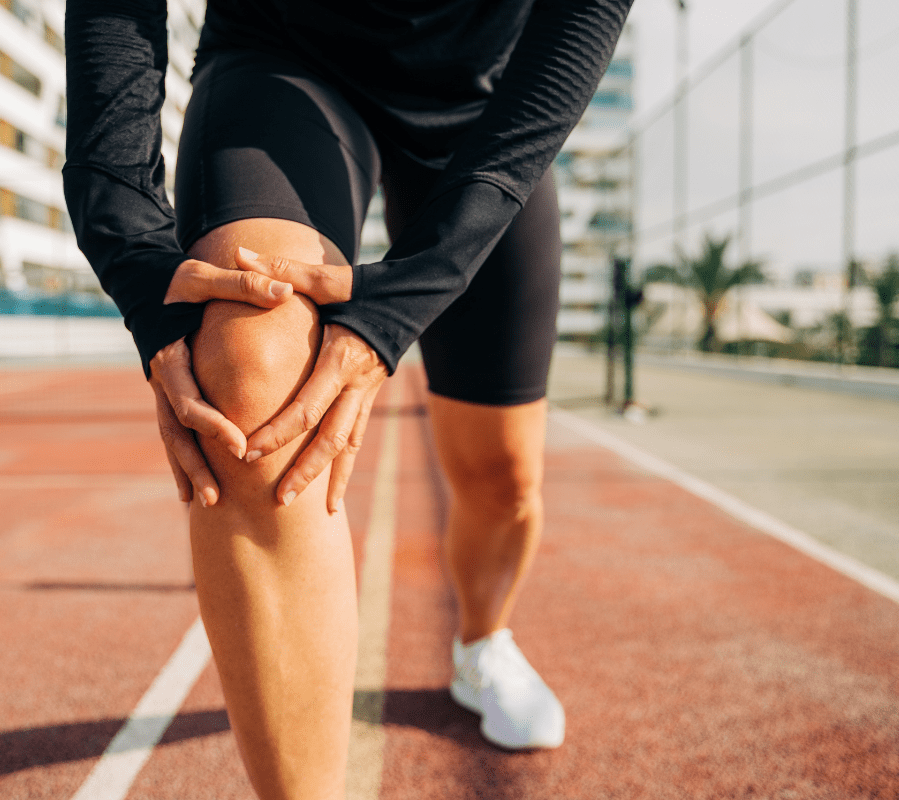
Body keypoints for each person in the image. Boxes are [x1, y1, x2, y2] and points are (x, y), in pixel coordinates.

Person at [64, 0, 633, 797]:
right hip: (284, 58)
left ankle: (483, 643)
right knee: (251, 368)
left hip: (486, 107)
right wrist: (126, 236)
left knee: (503, 481)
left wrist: (403, 303)